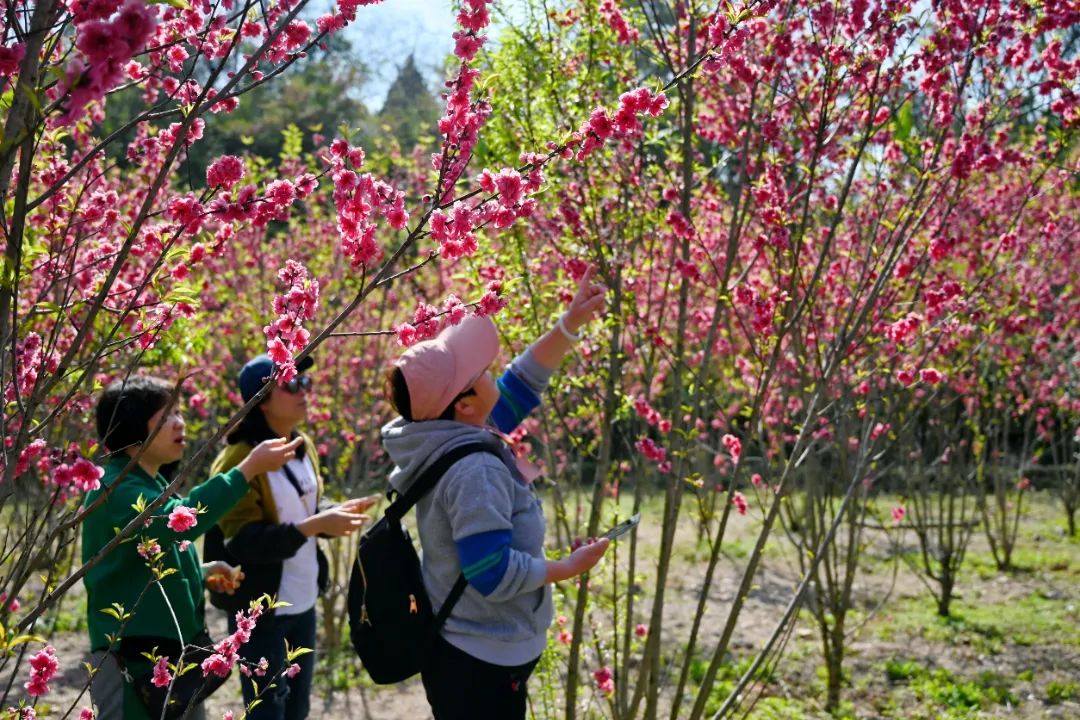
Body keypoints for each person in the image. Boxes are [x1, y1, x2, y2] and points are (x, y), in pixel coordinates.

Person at [381, 266, 611, 720]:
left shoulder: (448, 434)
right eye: (483, 372)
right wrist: (566, 568)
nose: (495, 374)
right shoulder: (474, 469)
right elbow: (490, 571)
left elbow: (523, 382)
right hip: (480, 662)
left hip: (471, 652)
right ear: (465, 404)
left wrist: (569, 324)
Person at [83, 374, 302, 720]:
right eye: (167, 415)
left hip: (174, 656)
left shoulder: (150, 482)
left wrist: (200, 572)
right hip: (132, 662)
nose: (180, 423)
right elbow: (177, 519)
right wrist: (247, 470)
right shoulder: (115, 489)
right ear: (134, 427)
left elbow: (142, 561)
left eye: (180, 413)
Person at [210, 353, 375, 720]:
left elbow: (306, 508)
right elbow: (242, 541)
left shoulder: (303, 446)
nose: (304, 391)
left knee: (297, 709)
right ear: (261, 400)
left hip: (303, 602)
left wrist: (336, 512)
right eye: (291, 384)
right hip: (263, 610)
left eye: (306, 382)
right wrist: (314, 526)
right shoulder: (239, 459)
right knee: (268, 711)